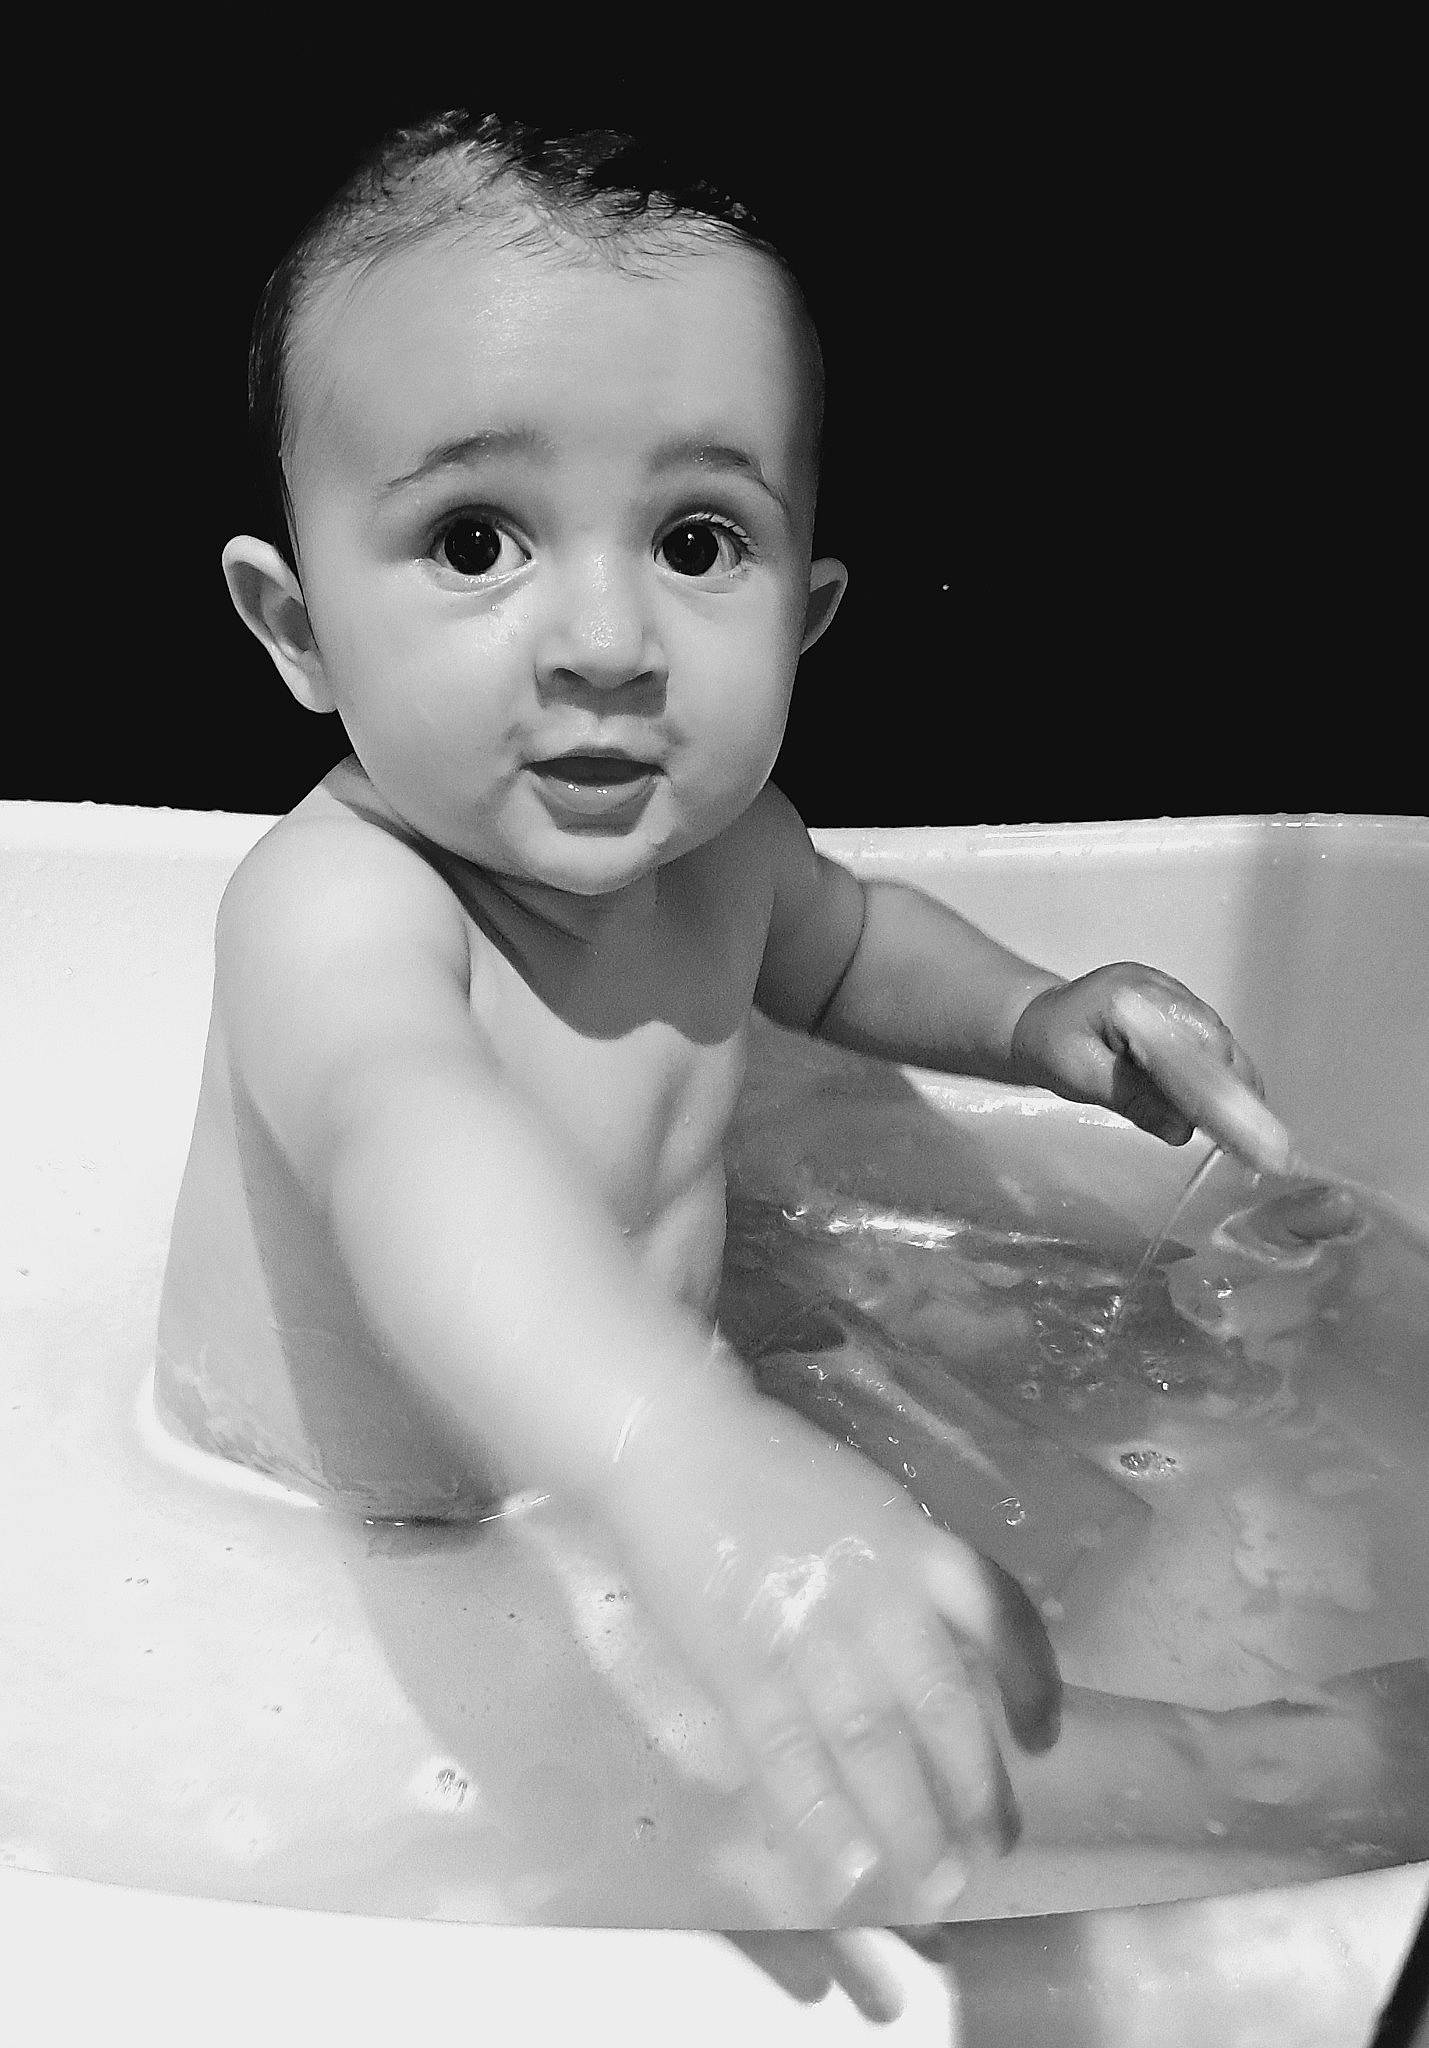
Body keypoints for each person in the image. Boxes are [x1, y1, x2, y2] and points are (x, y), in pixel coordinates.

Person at [156, 110, 1298, 1925]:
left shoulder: (722, 849)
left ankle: (1190, 1651)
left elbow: (847, 950)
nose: (606, 635)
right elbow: (410, 1161)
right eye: (473, 541)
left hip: (653, 1423)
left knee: (1062, 1503)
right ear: (294, 628)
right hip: (380, 1548)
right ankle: (1275, 1768)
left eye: (697, 538)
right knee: (816, 1744)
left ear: (809, 605)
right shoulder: (335, 914)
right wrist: (668, 1454)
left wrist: (1040, 1017)